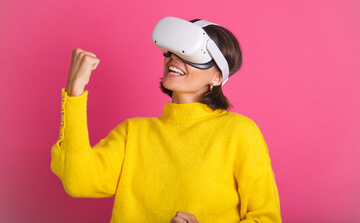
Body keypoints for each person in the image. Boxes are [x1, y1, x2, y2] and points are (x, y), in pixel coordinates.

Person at [50, 17, 282, 223]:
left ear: (218, 76)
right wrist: (74, 94)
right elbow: (78, 180)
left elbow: (266, 218)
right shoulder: (133, 132)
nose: (174, 58)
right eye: (172, 52)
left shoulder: (239, 132)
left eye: (189, 54)